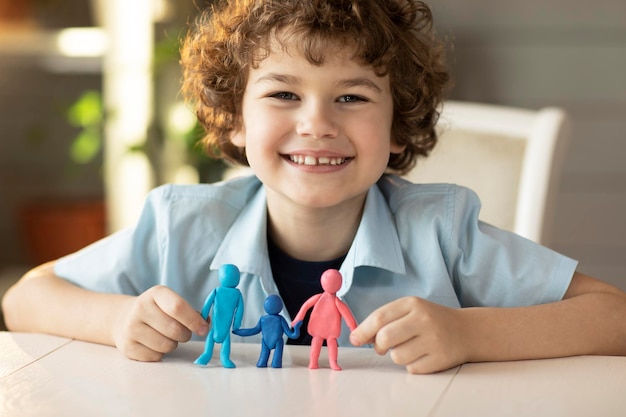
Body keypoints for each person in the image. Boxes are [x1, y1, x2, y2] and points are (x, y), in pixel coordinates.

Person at [3, 0, 626, 375]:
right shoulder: (179, 224)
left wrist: (469, 334)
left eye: (352, 97)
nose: (317, 124)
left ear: (398, 126)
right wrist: (118, 319)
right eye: (282, 94)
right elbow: (26, 299)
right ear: (235, 121)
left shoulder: (442, 232)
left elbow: (614, 317)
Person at [292, 269, 357, 370]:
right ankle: (314, 362)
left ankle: (332, 363)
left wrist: (353, 328)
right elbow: (306, 306)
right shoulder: (324, 299)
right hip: (318, 325)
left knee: (329, 342)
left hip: (330, 327)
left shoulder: (335, 302)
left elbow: (347, 315)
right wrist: (298, 318)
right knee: (320, 341)